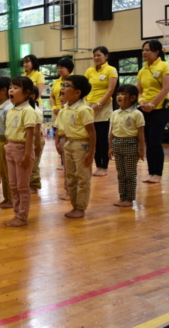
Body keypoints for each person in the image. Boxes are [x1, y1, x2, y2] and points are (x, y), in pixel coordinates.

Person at [58, 75, 96, 219]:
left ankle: (81, 207)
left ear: (77, 92)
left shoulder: (83, 109)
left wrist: (91, 152)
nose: (63, 88)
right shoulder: (66, 108)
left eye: (67, 86)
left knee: (82, 177)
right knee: (71, 177)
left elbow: (92, 131)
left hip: (82, 145)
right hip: (70, 143)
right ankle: (74, 205)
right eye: (63, 85)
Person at [137, 40, 169, 184]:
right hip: (144, 109)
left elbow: (165, 89)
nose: (144, 52)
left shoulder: (166, 66)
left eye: (148, 50)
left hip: (160, 110)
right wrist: (141, 101)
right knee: (147, 142)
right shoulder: (142, 70)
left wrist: (152, 104)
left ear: (157, 52)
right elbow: (139, 91)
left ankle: (157, 173)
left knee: (155, 141)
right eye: (143, 50)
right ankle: (150, 172)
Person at [4, 76, 38, 227]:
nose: (11, 90)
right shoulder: (11, 110)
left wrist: (26, 154)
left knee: (22, 186)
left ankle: (22, 216)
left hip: (21, 149)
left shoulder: (28, 111)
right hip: (10, 148)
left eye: (16, 88)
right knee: (13, 185)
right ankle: (17, 213)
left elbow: (30, 134)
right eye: (11, 87)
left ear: (26, 93)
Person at [108, 84, 146, 207]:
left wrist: (141, 150)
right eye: (118, 94)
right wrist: (110, 147)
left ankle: (129, 199)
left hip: (131, 144)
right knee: (121, 174)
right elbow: (112, 132)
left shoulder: (137, 114)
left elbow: (141, 134)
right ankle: (122, 197)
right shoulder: (114, 113)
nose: (119, 96)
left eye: (123, 94)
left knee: (130, 174)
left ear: (132, 98)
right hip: (117, 144)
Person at [85, 46, 118, 177]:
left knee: (102, 138)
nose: (96, 58)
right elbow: (85, 88)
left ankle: (104, 166)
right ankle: (97, 165)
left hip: (103, 105)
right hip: (89, 105)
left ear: (106, 56)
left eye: (99, 55)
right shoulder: (89, 71)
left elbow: (110, 90)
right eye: (94, 55)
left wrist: (99, 104)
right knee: (93, 137)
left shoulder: (111, 70)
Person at [0, 77, 14, 209]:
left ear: (4, 90)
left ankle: (11, 199)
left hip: (7, 142)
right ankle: (6, 198)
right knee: (3, 172)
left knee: (9, 173)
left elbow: (9, 128)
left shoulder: (9, 108)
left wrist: (6, 143)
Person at [50, 58, 74, 173]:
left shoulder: (73, 80)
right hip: (57, 111)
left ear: (68, 69)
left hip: (68, 110)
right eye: (58, 67)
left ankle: (68, 161)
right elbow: (51, 96)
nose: (59, 70)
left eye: (61, 67)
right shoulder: (56, 82)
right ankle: (63, 161)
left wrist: (65, 107)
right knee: (59, 135)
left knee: (67, 135)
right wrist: (55, 107)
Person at [28, 86, 44, 194]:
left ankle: (34, 185)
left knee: (34, 163)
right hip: (29, 138)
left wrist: (38, 144)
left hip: (35, 138)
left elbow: (37, 131)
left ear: (32, 96)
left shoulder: (35, 111)